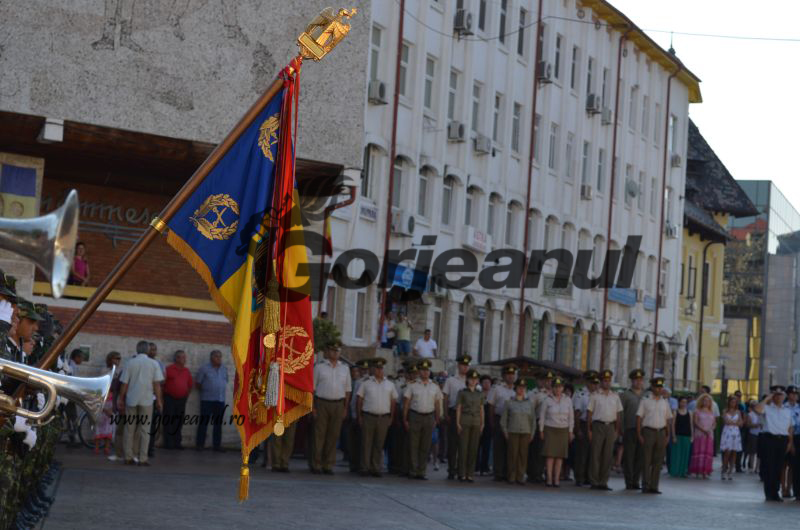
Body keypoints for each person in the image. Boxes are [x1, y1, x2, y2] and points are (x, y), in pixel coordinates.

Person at [117, 340, 164, 466]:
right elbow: (157, 385)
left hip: (131, 399)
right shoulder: (154, 363)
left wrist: (120, 398)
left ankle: (128, 456)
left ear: (137, 350)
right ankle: (143, 458)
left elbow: (124, 383)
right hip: (147, 400)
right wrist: (159, 401)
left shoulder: (130, 363)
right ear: (148, 350)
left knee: (129, 428)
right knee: (145, 430)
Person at [311, 342, 351, 474]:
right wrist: (313, 407)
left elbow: (347, 391)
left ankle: (328, 465)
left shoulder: (345, 369)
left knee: (333, 435)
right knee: (319, 435)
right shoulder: (319, 367)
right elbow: (312, 388)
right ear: (327, 352)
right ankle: (316, 464)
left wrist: (345, 408)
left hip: (338, 404)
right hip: (322, 402)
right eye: (332, 351)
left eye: (337, 351)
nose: (335, 353)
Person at [357, 357, 397, 477]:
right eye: (377, 368)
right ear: (373, 369)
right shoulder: (366, 383)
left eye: (381, 368)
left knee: (379, 444)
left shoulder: (390, 384)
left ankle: (375, 468)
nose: (379, 371)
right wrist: (359, 416)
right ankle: (364, 467)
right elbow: (359, 400)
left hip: (383, 417)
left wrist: (391, 417)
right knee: (366, 443)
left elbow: (393, 401)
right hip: (369, 416)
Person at [403, 359, 442, 480]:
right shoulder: (412, 385)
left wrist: (437, 418)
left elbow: (437, 403)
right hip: (415, 415)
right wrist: (405, 419)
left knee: (425, 445)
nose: (425, 373)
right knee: (413, 444)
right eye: (423, 370)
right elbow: (406, 403)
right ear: (419, 371)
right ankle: (413, 470)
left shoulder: (434, 386)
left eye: (427, 370)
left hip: (429, 416)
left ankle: (422, 471)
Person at [753, 386, 794, 502]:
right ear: (772, 396)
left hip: (783, 440)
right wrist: (768, 398)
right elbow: (757, 410)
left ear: (784, 396)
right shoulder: (767, 408)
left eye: (780, 394)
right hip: (769, 439)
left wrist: (790, 442)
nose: (778, 397)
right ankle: (769, 493)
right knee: (769, 467)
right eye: (776, 394)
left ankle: (775, 492)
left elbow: (790, 427)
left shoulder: (787, 410)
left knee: (778, 467)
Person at [587, 369, 622, 491]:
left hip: (611, 426)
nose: (607, 383)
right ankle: (594, 481)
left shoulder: (615, 396)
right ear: (601, 382)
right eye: (605, 381)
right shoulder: (595, 395)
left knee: (607, 455)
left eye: (609, 381)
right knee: (596, 454)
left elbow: (618, 414)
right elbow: (589, 413)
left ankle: (603, 481)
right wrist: (589, 430)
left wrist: (617, 430)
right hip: (598, 426)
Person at [636, 376, 672, 494]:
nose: (659, 389)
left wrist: (668, 435)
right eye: (657, 387)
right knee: (646, 460)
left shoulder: (665, 402)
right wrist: (639, 433)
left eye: (660, 387)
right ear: (652, 387)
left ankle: (654, 486)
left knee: (658, 461)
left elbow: (668, 419)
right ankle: (645, 485)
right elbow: (639, 417)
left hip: (661, 432)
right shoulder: (645, 400)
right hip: (648, 431)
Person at [539, 377, 573, 488]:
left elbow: (571, 417)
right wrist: (541, 430)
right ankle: (549, 478)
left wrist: (570, 431)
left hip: (563, 429)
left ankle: (556, 479)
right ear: (552, 388)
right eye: (555, 387)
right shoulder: (547, 400)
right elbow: (542, 416)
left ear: (562, 388)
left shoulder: (568, 400)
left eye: (560, 387)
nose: (558, 389)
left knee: (559, 456)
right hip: (550, 428)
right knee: (550, 456)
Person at [501, 378, 536, 485]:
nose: (521, 389)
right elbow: (503, 420)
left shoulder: (529, 403)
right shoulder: (509, 402)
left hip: (526, 432)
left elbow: (533, 420)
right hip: (513, 431)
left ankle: (520, 477)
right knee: (512, 455)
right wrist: (505, 432)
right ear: (515, 388)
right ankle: (511, 476)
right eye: (519, 387)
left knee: (523, 455)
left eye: (523, 388)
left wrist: (532, 433)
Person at [195, 350, 228, 453]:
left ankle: (217, 445)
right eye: (217, 357)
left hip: (220, 400)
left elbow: (225, 381)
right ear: (211, 358)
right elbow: (198, 383)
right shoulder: (204, 369)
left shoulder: (224, 369)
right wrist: (207, 390)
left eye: (220, 357)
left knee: (218, 424)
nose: (219, 359)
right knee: (204, 423)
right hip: (207, 400)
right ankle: (200, 444)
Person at [487, 364, 517, 481]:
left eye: (512, 374)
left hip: (513, 421)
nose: (510, 377)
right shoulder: (497, 388)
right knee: (499, 446)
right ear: (504, 376)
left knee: (510, 447)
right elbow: (491, 405)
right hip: (499, 418)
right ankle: (498, 472)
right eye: (508, 374)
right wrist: (491, 422)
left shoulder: (517, 389)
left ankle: (508, 472)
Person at [443, 354, 470, 480]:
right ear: (458, 366)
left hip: (467, 415)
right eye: (463, 365)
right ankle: (451, 469)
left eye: (467, 365)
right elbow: (446, 397)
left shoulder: (472, 381)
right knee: (453, 443)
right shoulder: (451, 380)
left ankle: (462, 470)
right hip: (454, 413)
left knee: (464, 444)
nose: (465, 368)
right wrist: (446, 413)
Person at [456, 369, 484, 482]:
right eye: (471, 379)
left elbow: (482, 410)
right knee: (463, 447)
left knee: (473, 448)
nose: (473, 381)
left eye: (475, 379)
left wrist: (483, 423)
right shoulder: (462, 392)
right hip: (465, 419)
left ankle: (470, 473)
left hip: (476, 421)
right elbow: (459, 408)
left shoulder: (480, 394)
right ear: (467, 379)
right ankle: (462, 472)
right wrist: (457, 423)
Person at [620, 368, 645, 490]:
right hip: (630, 428)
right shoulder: (625, 395)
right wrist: (621, 429)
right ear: (632, 381)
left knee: (640, 457)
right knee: (629, 457)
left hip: (644, 430)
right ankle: (629, 482)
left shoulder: (647, 395)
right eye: (636, 380)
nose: (638, 382)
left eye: (640, 380)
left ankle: (636, 481)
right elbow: (621, 413)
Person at [573, 370, 598, 487]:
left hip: (595, 425)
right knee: (581, 453)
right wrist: (577, 429)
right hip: (583, 424)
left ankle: (589, 476)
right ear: (587, 382)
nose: (595, 385)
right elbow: (577, 413)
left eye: (596, 382)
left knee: (592, 453)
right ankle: (579, 477)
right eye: (592, 382)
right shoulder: (580, 394)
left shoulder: (598, 394)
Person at [163, 350, 192, 450]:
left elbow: (190, 385)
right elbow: (162, 383)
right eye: (182, 357)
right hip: (169, 399)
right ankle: (168, 443)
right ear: (176, 358)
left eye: (184, 357)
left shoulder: (186, 371)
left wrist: (185, 396)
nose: (184, 359)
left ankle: (177, 443)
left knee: (179, 421)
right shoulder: (169, 369)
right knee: (169, 421)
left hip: (181, 400)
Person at [528, 370, 554, 483]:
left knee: (546, 451)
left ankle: (543, 473)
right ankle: (534, 474)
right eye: (546, 380)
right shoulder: (537, 394)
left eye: (550, 380)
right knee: (537, 450)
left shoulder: (555, 393)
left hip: (552, 424)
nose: (548, 382)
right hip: (539, 423)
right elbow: (531, 411)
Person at [348, 359, 370, 473]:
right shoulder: (358, 382)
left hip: (367, 414)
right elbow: (354, 401)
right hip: (357, 415)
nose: (364, 372)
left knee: (365, 442)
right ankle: (354, 463)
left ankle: (363, 464)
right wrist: (354, 414)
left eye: (366, 370)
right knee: (355, 441)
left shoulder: (369, 381)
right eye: (362, 370)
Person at [689, 394, 716, 479]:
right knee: (699, 451)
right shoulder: (697, 411)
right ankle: (698, 470)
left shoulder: (712, 412)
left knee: (708, 452)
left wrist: (711, 429)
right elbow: (695, 422)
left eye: (708, 401)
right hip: (700, 434)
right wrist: (703, 430)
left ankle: (706, 471)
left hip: (709, 434)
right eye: (704, 400)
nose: (706, 402)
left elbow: (715, 423)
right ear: (701, 401)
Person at [720, 395, 744, 480]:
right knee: (727, 452)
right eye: (732, 401)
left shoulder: (738, 412)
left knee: (734, 452)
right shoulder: (725, 411)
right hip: (727, 433)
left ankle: (730, 471)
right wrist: (735, 422)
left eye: (735, 402)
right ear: (729, 402)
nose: (733, 403)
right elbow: (726, 421)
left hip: (736, 433)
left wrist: (734, 422)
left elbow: (741, 423)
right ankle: (724, 470)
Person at [669, 396, 692, 478]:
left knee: (685, 454)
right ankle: (675, 471)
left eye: (685, 402)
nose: (684, 404)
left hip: (687, 435)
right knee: (676, 454)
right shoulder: (675, 412)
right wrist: (673, 436)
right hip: (678, 435)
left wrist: (692, 436)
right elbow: (673, 425)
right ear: (679, 403)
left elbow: (691, 425)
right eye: (682, 402)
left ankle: (683, 471)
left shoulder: (689, 412)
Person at [477, 375, 493, 476]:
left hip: (489, 423)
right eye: (484, 382)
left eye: (488, 382)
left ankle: (485, 467)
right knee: (477, 445)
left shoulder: (493, 394)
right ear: (481, 383)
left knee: (487, 446)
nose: (486, 384)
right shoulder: (478, 394)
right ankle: (476, 467)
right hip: (478, 422)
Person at [787, 386, 800, 500]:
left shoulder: (799, 408)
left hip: (798, 437)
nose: (794, 396)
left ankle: (797, 491)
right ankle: (786, 488)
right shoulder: (784, 407)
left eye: (796, 394)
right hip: (788, 437)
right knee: (786, 465)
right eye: (792, 393)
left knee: (797, 466)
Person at [744, 399, 762, 474]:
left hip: (761, 434)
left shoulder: (761, 414)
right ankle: (751, 467)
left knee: (760, 453)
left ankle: (757, 468)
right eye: (754, 406)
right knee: (752, 452)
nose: (755, 407)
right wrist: (755, 425)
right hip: (753, 434)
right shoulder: (750, 414)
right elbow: (747, 425)